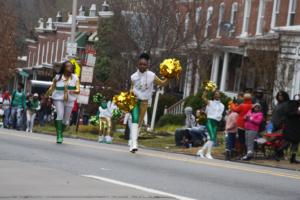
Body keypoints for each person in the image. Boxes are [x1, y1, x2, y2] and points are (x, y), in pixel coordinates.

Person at [129, 53, 168, 153]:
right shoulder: (133, 77)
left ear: (148, 65)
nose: (142, 66)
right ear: (138, 64)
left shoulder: (151, 75)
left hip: (144, 102)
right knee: (135, 119)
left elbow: (162, 83)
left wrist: (169, 75)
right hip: (135, 101)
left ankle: (132, 141)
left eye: (144, 64)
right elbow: (131, 89)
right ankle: (134, 144)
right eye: (140, 64)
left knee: (139, 123)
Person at [45, 61, 80, 144]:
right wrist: (46, 96)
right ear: (64, 68)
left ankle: (59, 131)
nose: (70, 68)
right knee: (60, 114)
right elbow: (52, 88)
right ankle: (59, 136)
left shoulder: (75, 78)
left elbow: (78, 90)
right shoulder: (57, 77)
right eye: (68, 66)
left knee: (66, 121)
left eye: (71, 66)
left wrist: (73, 91)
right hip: (58, 98)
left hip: (70, 99)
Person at [196, 91, 224, 159]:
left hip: (216, 122)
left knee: (212, 138)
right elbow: (203, 98)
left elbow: (220, 114)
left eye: (218, 94)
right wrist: (205, 91)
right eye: (216, 94)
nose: (217, 95)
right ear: (213, 96)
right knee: (211, 137)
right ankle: (208, 153)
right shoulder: (210, 102)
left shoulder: (222, 105)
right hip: (210, 121)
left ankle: (202, 151)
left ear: (220, 96)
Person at [275, 94, 300, 163]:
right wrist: (296, 112)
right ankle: (278, 152)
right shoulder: (292, 104)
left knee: (296, 143)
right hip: (291, 126)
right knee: (288, 141)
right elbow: (288, 113)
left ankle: (293, 158)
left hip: (298, 127)